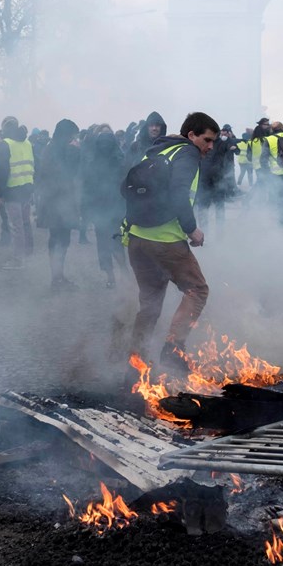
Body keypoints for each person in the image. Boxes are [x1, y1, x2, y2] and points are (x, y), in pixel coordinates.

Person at [125, 112, 219, 373]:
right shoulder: (187, 153)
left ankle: (136, 360)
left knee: (151, 301)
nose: (210, 147)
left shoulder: (156, 150)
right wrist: (192, 230)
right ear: (191, 135)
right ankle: (173, 350)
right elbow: (179, 193)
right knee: (198, 290)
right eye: (207, 140)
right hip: (165, 240)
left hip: (137, 239)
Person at [36, 119, 83, 289]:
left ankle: (58, 276)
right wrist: (75, 152)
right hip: (57, 203)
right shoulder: (56, 150)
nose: (73, 138)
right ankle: (56, 278)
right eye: (71, 135)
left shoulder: (54, 147)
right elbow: (64, 174)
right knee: (58, 240)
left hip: (59, 202)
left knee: (62, 239)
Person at [82, 126, 127, 288]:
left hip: (114, 210)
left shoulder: (120, 161)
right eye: (102, 143)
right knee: (106, 244)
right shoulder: (93, 163)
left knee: (115, 242)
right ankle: (112, 275)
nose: (105, 146)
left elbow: (126, 186)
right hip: (101, 210)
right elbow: (87, 188)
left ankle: (120, 273)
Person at [0, 116, 35, 269]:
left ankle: (18, 260)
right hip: (26, 188)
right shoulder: (27, 142)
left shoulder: (5, 145)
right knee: (25, 223)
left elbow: (1, 171)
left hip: (12, 190)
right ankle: (29, 252)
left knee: (16, 226)